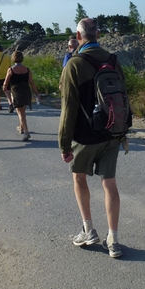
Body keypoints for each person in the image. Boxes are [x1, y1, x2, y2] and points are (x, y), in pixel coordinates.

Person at [59, 17, 128, 258]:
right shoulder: (113, 60)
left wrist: (64, 144)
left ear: (78, 37)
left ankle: (88, 230)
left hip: (85, 135)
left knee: (79, 178)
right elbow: (124, 95)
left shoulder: (74, 64)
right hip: (112, 132)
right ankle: (114, 239)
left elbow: (68, 108)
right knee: (109, 184)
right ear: (98, 34)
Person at [3, 51, 40, 141]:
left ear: (13, 58)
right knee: (22, 111)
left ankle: (26, 132)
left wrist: (5, 90)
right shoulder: (27, 70)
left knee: (20, 113)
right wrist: (37, 93)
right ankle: (21, 127)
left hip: (16, 91)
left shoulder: (11, 70)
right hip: (26, 91)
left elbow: (6, 83)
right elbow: (31, 82)